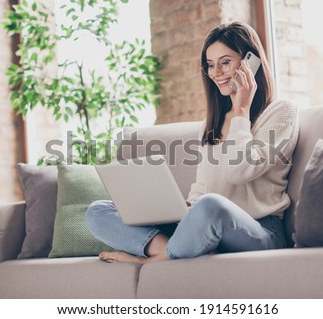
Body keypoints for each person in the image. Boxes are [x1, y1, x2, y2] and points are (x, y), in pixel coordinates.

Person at [85, 22, 299, 264]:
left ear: (251, 62)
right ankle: (164, 249)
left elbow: (240, 171)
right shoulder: (213, 123)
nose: (216, 72)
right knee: (98, 211)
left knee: (211, 205)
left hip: (260, 232)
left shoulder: (281, 112)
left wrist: (241, 109)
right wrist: (184, 205)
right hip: (206, 224)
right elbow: (201, 187)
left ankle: (151, 260)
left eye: (225, 62)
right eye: (210, 65)